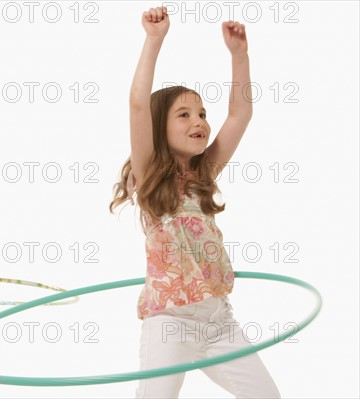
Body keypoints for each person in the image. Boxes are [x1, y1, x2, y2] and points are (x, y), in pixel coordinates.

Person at [109, 6, 281, 399]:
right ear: (158, 128)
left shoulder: (204, 176)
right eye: (183, 115)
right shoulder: (151, 174)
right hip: (169, 321)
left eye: (201, 113)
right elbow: (137, 104)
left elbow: (240, 113)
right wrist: (154, 42)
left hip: (219, 319)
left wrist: (240, 56)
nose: (198, 121)